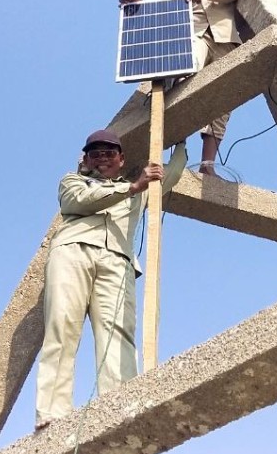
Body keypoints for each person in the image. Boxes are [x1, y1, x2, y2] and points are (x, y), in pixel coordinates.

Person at [34, 129, 187, 430]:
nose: (102, 158)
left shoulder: (140, 189)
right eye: (95, 154)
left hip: (117, 259)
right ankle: (52, 411)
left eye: (109, 153)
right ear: (86, 160)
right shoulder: (73, 181)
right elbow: (80, 201)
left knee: (118, 330)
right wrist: (132, 187)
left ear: (121, 159)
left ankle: (120, 405)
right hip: (73, 251)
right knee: (62, 325)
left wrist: (181, 139)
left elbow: (173, 172)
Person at [119, 0, 241, 176]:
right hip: (193, 36)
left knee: (223, 100)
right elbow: (160, 10)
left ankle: (207, 165)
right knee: (186, 74)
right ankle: (177, 138)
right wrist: (138, 3)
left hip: (225, 38)